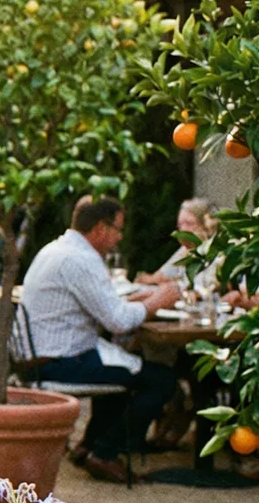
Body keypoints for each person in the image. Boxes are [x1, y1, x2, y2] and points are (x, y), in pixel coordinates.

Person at [25, 197, 184, 483]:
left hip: (43, 355)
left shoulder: (58, 249)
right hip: (60, 361)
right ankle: (105, 453)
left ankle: (89, 446)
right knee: (161, 380)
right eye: (118, 229)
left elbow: (103, 307)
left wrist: (139, 299)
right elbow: (118, 322)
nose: (120, 237)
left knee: (123, 368)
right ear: (100, 227)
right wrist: (157, 301)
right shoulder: (82, 260)